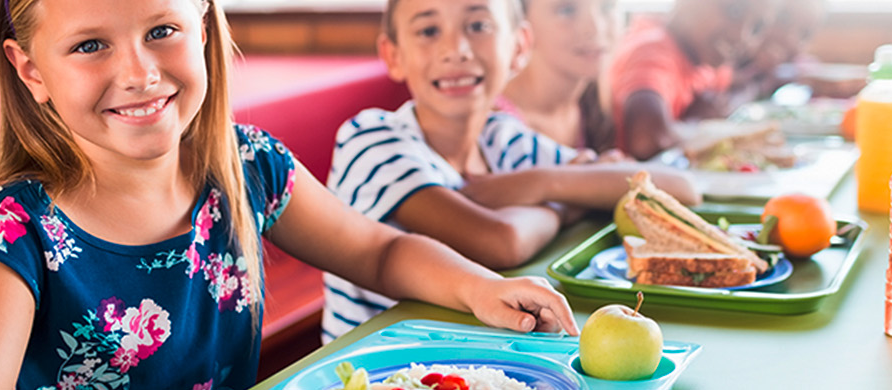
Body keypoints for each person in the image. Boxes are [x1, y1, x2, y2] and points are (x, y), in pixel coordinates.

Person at [0, 0, 580, 388]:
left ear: (202, 27)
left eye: (161, 31)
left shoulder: (244, 165)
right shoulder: (9, 238)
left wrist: (479, 288)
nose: (140, 73)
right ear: (30, 70)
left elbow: (378, 252)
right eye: (90, 45)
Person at [322, 0, 700, 343]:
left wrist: (542, 183)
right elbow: (500, 241)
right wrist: (566, 202)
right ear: (393, 55)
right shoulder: (370, 138)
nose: (456, 50)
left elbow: (676, 189)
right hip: (376, 367)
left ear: (519, 47)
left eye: (479, 26)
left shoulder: (502, 138)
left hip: (476, 351)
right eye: (428, 31)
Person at [607, 0, 779, 160]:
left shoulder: (701, 57)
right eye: (734, 11)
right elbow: (646, 140)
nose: (741, 35)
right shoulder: (653, 51)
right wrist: (698, 124)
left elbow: (739, 86)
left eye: (756, 28)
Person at [498, 0, 621, 152]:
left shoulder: (601, 105)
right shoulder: (494, 122)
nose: (596, 28)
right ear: (522, 24)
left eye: (607, 6)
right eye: (566, 10)